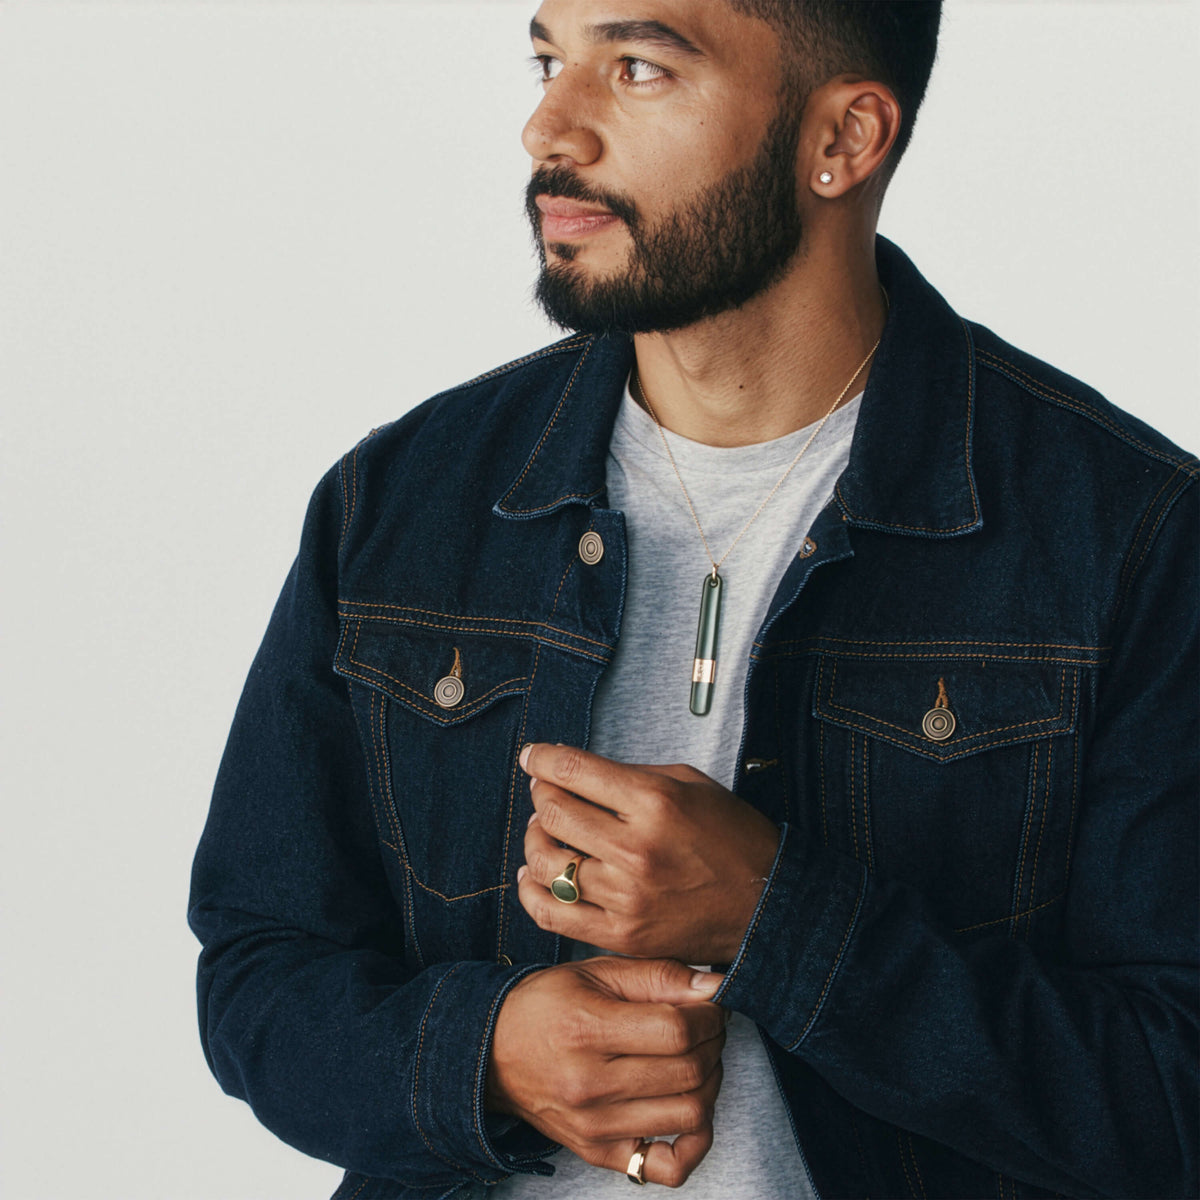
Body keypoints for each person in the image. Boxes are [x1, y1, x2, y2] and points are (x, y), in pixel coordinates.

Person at [188, 1, 1198, 1196]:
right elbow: (258, 971)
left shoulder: (1129, 535)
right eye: (549, 61)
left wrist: (783, 923)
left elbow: (1172, 1094)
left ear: (843, 137)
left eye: (638, 68)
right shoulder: (405, 501)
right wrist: (487, 1057)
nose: (549, 129)